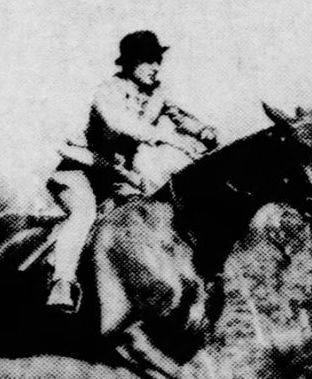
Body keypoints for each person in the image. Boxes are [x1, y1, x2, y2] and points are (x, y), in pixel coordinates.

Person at [46, 30, 217, 312]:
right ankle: (61, 283)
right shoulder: (107, 92)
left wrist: (205, 132)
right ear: (129, 63)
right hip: (79, 172)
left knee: (148, 218)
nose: (156, 67)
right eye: (149, 60)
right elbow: (122, 124)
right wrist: (169, 138)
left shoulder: (156, 94)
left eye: (158, 61)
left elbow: (181, 117)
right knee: (84, 213)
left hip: (115, 179)